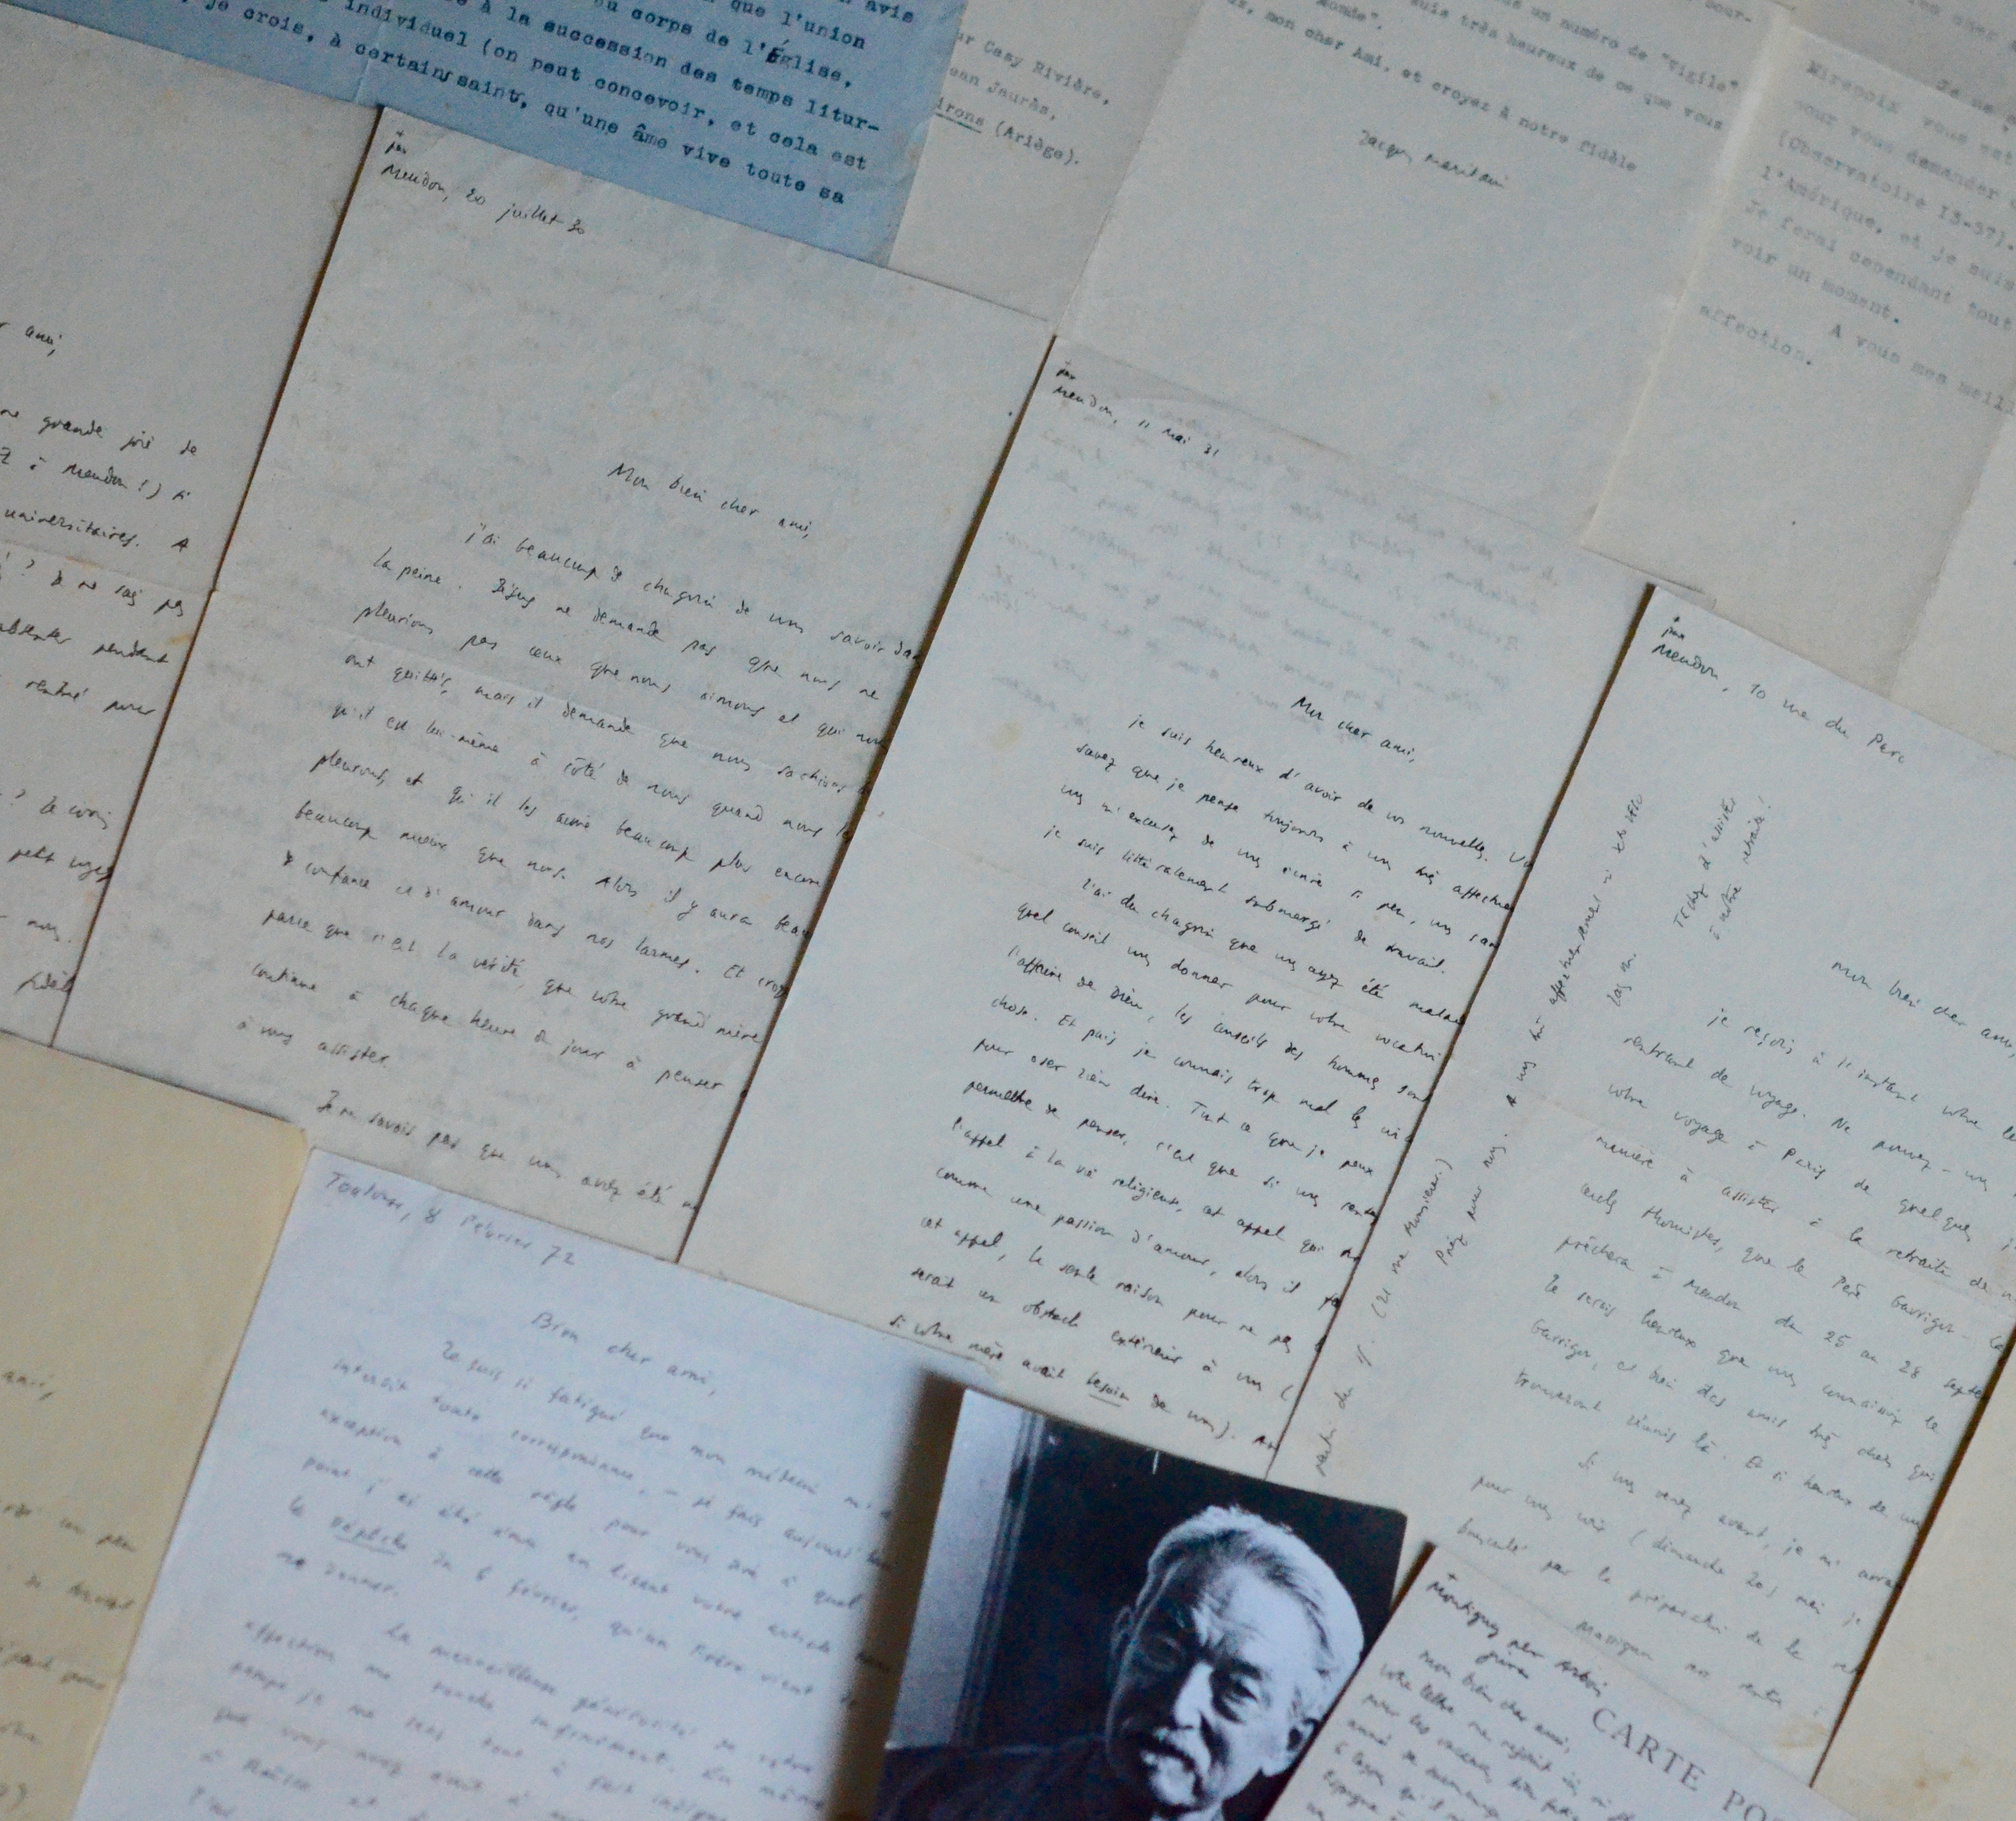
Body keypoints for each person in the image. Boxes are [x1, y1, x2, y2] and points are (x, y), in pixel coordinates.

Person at [875, 1506, 1365, 1821]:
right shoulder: (920, 1791)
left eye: (1237, 1689)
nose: (1179, 1707)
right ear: (1120, 1646)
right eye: (1165, 1650)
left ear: (1288, 1743)